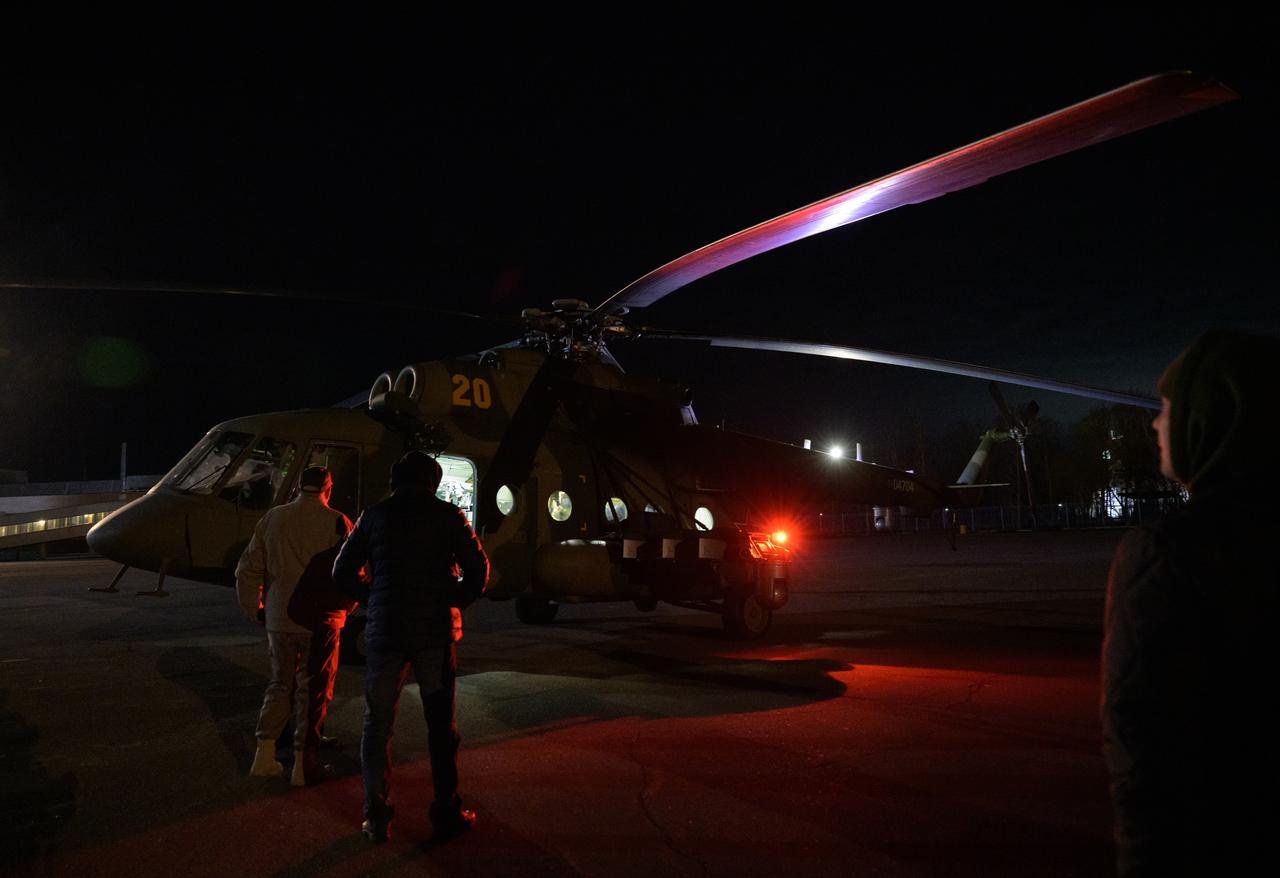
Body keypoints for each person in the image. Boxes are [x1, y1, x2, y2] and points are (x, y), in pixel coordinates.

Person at [1101, 330, 1279, 876]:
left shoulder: (1166, 552)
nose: (1155, 424)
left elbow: (1143, 753)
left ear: (1210, 420)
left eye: (1167, 408)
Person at [333, 451, 488, 843]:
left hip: (385, 633)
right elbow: (479, 570)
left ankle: (377, 816)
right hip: (433, 635)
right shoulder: (448, 516)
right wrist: (453, 599)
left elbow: (342, 571)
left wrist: (374, 598)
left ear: (395, 480)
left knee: (377, 723)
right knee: (441, 726)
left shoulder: (373, 516)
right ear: (433, 481)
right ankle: (446, 812)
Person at [235, 466, 355, 786]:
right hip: (321, 621)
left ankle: (264, 753)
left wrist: (255, 608)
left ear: (300, 487)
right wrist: (346, 610)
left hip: (278, 618)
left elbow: (247, 569)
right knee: (312, 690)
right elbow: (355, 573)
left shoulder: (273, 518)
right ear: (328, 489)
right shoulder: (338, 522)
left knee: (279, 685)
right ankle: (302, 764)